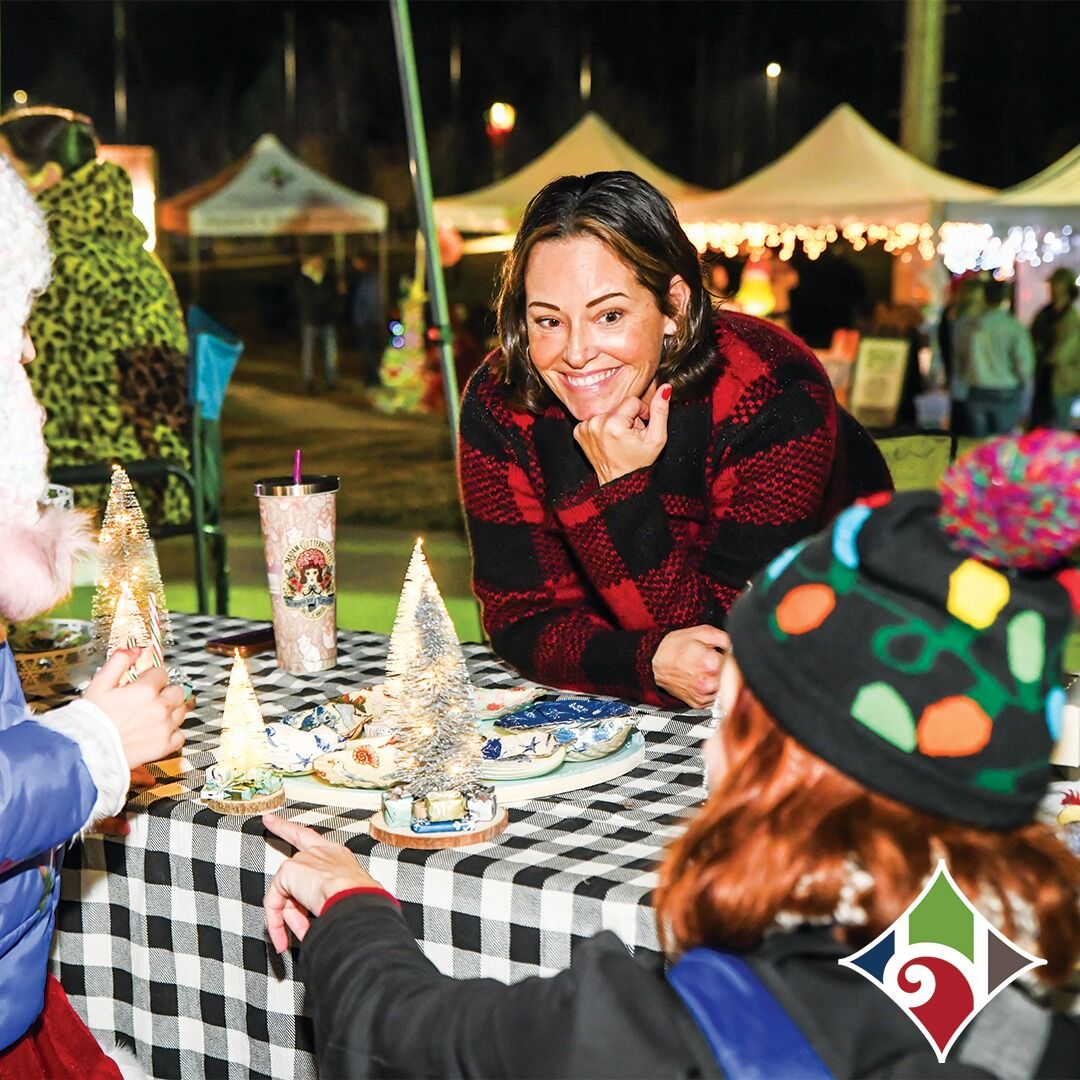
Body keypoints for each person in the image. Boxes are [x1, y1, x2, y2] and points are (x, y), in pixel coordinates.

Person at [261, 431, 1080, 1078]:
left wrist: (349, 906)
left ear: (779, 754)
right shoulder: (1016, 989)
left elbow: (413, 1043)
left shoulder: (672, 1039)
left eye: (736, 686)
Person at [457, 171, 892, 709]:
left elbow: (719, 649)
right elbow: (519, 619)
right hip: (631, 698)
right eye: (548, 321)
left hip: (849, 670)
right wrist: (647, 662)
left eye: (609, 315)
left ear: (674, 307)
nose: (575, 353)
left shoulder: (773, 392)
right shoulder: (502, 402)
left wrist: (621, 487)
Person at [0, 154, 189, 1076]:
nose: (29, 349)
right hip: (129, 478)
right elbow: (164, 388)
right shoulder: (139, 268)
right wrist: (96, 740)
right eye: (17, 328)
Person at [0, 106, 191, 525]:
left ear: (46, 178)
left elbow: (21, 385)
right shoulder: (119, 247)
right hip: (150, 472)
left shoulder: (54, 265)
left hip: (97, 479)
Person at [959, 279, 1035, 436]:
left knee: (979, 447)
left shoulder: (970, 326)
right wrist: (1022, 381)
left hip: (977, 390)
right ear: (1005, 298)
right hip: (1005, 391)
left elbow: (960, 358)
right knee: (1003, 448)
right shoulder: (1013, 327)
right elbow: (1024, 364)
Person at [1030, 266, 1080, 430]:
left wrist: (1041, 354)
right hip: (1044, 378)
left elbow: (1062, 353)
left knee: (1059, 427)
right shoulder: (1044, 313)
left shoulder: (1070, 318)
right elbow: (1032, 338)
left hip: (1062, 382)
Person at [295, 253, 338, 393]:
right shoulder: (303, 280)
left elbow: (331, 297)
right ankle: (309, 380)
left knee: (330, 353)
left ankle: (330, 379)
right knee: (309, 353)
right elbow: (309, 299)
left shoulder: (328, 279)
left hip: (326, 320)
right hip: (310, 320)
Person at [349, 252, 382, 388]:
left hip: (369, 320)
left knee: (370, 351)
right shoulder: (364, 278)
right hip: (367, 319)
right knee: (368, 350)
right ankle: (371, 378)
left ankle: (373, 379)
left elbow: (370, 301)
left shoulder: (369, 279)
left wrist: (363, 317)